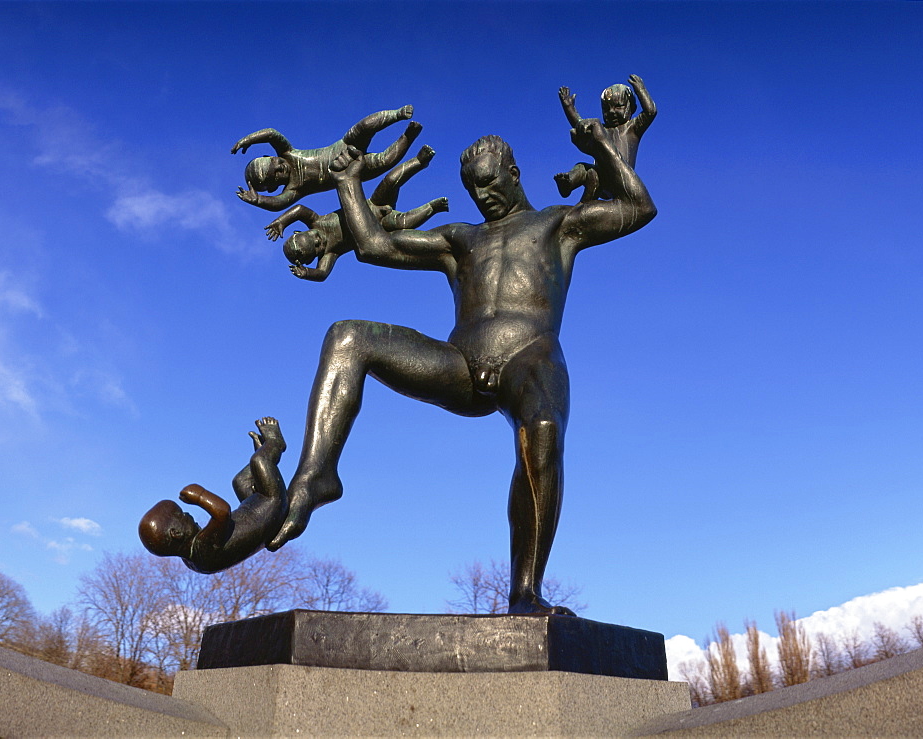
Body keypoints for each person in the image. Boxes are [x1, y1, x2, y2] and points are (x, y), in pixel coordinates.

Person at [267, 119, 656, 616]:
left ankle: (525, 593)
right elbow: (374, 246)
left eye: (491, 181)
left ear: (514, 173)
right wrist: (347, 183)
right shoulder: (460, 238)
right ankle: (316, 476)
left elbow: (639, 208)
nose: (483, 193)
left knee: (540, 431)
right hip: (460, 365)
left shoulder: (558, 225)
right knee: (347, 336)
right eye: (474, 186)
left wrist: (604, 145)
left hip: (529, 356)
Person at [264, 145, 449, 282]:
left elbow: (299, 210)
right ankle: (433, 207)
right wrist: (307, 273)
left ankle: (419, 161)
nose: (320, 241)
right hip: (381, 227)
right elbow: (322, 274)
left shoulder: (316, 222)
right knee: (405, 222)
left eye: (314, 238)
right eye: (317, 247)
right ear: (315, 256)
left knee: (391, 180)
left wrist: (281, 221)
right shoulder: (331, 253)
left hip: (373, 204)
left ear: (300, 231)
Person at [138, 417, 287, 574]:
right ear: (176, 533)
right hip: (271, 504)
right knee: (259, 461)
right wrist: (199, 496)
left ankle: (266, 456)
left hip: (255, 509)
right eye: (181, 515)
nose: (187, 514)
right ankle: (275, 444)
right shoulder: (202, 548)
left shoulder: (193, 561)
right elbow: (222, 512)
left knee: (240, 481)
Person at [232, 105, 421, 211]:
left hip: (344, 146)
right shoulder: (295, 188)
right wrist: (259, 200)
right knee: (385, 161)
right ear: (273, 186)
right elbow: (279, 203)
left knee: (364, 126)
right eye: (277, 173)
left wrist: (248, 140)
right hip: (350, 171)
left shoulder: (288, 153)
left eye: (276, 162)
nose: (281, 167)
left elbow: (272, 134)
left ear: (271, 155)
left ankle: (397, 114)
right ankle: (409, 135)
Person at [555, 74, 656, 200]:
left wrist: (641, 90)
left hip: (622, 179)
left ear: (632, 108)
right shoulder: (602, 130)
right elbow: (580, 125)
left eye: (618, 106)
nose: (612, 112)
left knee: (592, 172)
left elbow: (650, 112)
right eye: (606, 109)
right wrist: (569, 107)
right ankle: (568, 183)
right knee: (582, 167)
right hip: (600, 177)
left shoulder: (632, 128)